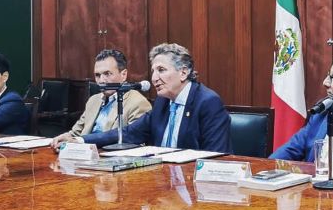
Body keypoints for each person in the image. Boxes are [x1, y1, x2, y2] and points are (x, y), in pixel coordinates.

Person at [80, 43, 232, 152]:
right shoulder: (162, 102)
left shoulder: (207, 102)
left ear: (183, 73)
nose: (154, 78)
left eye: (161, 70)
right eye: (153, 71)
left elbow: (216, 155)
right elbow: (130, 133)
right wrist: (81, 140)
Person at [50, 49, 151, 150]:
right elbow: (76, 133)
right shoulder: (93, 100)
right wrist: (65, 137)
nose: (101, 80)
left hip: (109, 155)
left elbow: (134, 141)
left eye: (107, 74)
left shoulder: (138, 103)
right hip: (83, 154)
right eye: (97, 75)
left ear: (123, 74)